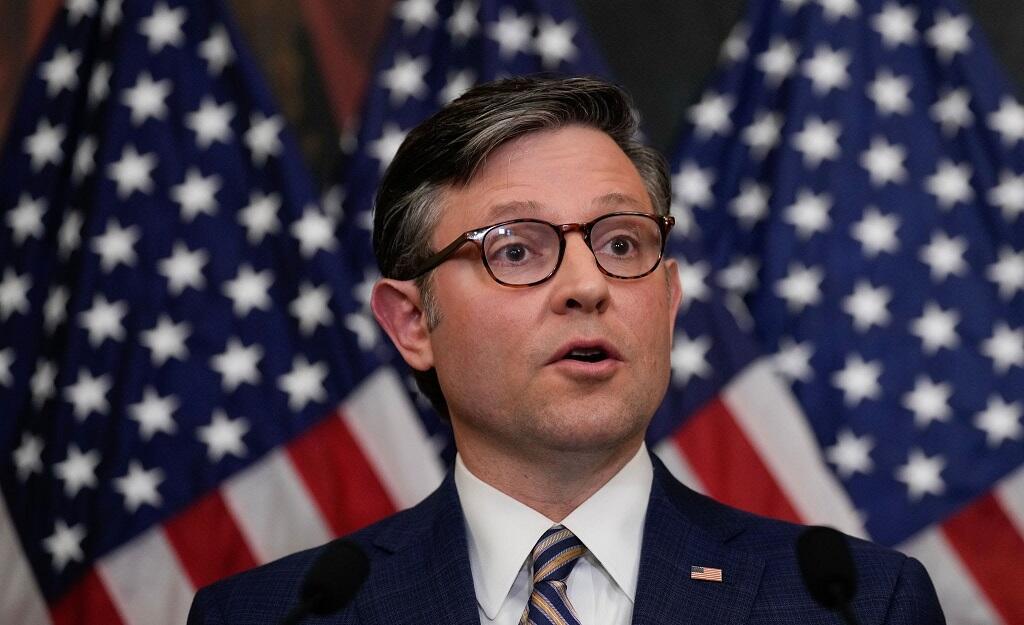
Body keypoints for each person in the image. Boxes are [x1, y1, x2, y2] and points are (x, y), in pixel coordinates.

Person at [188, 76, 944, 625]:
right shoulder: (273, 615)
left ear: (669, 301)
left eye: (621, 243)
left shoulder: (853, 605)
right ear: (412, 322)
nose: (587, 285)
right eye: (515, 249)